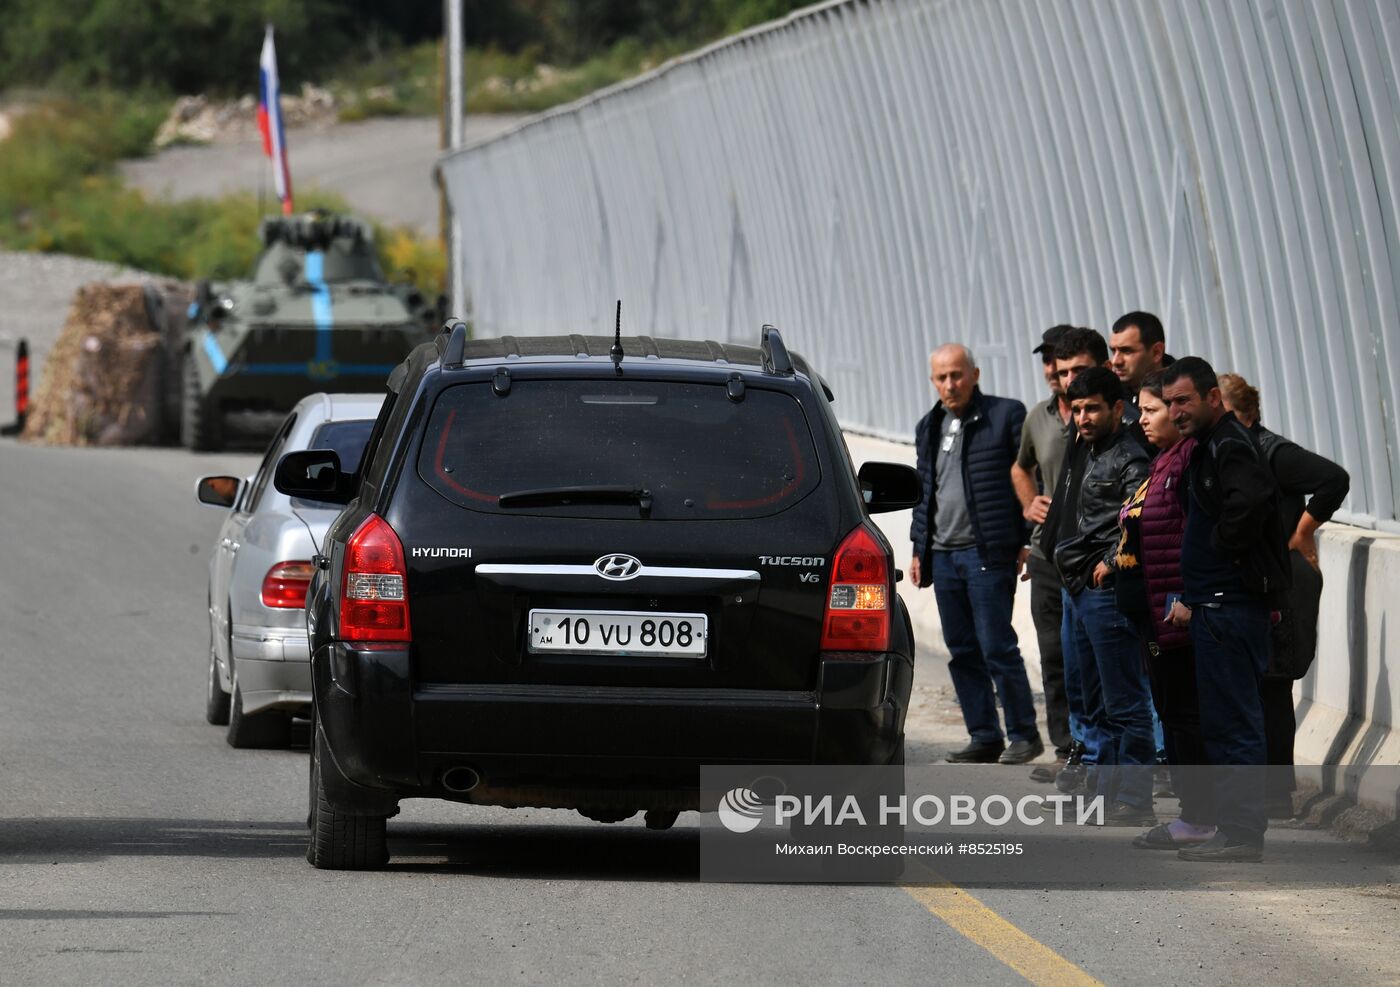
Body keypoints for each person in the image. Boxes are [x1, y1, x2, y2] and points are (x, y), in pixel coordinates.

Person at [1163, 357, 1290, 862]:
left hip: (1229, 609)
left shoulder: (1230, 443)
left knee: (1235, 723)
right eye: (1169, 402)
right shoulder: (1208, 445)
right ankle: (1236, 829)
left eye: (1184, 401)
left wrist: (1218, 546)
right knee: (1224, 721)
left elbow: (1252, 502)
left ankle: (1241, 833)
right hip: (1217, 606)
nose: (1175, 411)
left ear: (1213, 397)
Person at [1218, 372, 1350, 817]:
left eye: (1232, 415)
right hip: (1258, 581)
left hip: (1285, 583)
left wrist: (1303, 531)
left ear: (1250, 415)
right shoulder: (1230, 454)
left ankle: (1276, 792)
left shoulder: (1272, 451)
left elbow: (1334, 479)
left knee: (1273, 685)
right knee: (1256, 686)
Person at [912, 344, 1042, 764]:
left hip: (988, 551)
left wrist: (1026, 539)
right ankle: (984, 735)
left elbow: (1028, 477)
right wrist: (919, 549)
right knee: (962, 649)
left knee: (996, 645)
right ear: (933, 381)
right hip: (944, 555)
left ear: (975, 374)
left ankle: (1024, 735)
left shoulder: (1006, 415)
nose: (950, 384)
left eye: (957, 375)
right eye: (941, 377)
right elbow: (924, 491)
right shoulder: (928, 425)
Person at [1112, 371, 1217, 849]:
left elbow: (1194, 541)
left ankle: (1199, 817)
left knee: (1185, 717)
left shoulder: (1189, 463)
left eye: (1151, 409)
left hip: (1177, 616)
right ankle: (1192, 813)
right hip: (1156, 617)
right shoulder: (1163, 462)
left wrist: (1186, 602)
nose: (1144, 419)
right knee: (1174, 715)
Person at [1046, 367, 1155, 824]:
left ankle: (1134, 798)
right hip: (1075, 587)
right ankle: (1103, 794)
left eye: (1094, 408)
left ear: (1117, 408)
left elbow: (1143, 517)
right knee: (1089, 700)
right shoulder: (1082, 448)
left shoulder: (1129, 457)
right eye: (1077, 409)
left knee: (1124, 701)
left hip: (1103, 590)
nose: (1084, 417)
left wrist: (1109, 563)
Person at [1040, 326, 1111, 794]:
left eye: (1080, 371)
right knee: (1074, 678)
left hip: (1099, 577)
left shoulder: (1121, 443)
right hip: (1065, 571)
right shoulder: (1073, 428)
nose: (1069, 383)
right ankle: (1082, 760)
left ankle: (1121, 782)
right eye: (1063, 373)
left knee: (1117, 691)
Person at [1010, 326, 1076, 780]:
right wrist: (1029, 502)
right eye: (1049, 361)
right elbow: (1020, 466)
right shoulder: (1039, 416)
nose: (1053, 371)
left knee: (1089, 656)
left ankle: (1100, 751)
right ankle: (1065, 747)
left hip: (1090, 554)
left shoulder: (1103, 412)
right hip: (1046, 555)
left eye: (1063, 363)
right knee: (1053, 653)